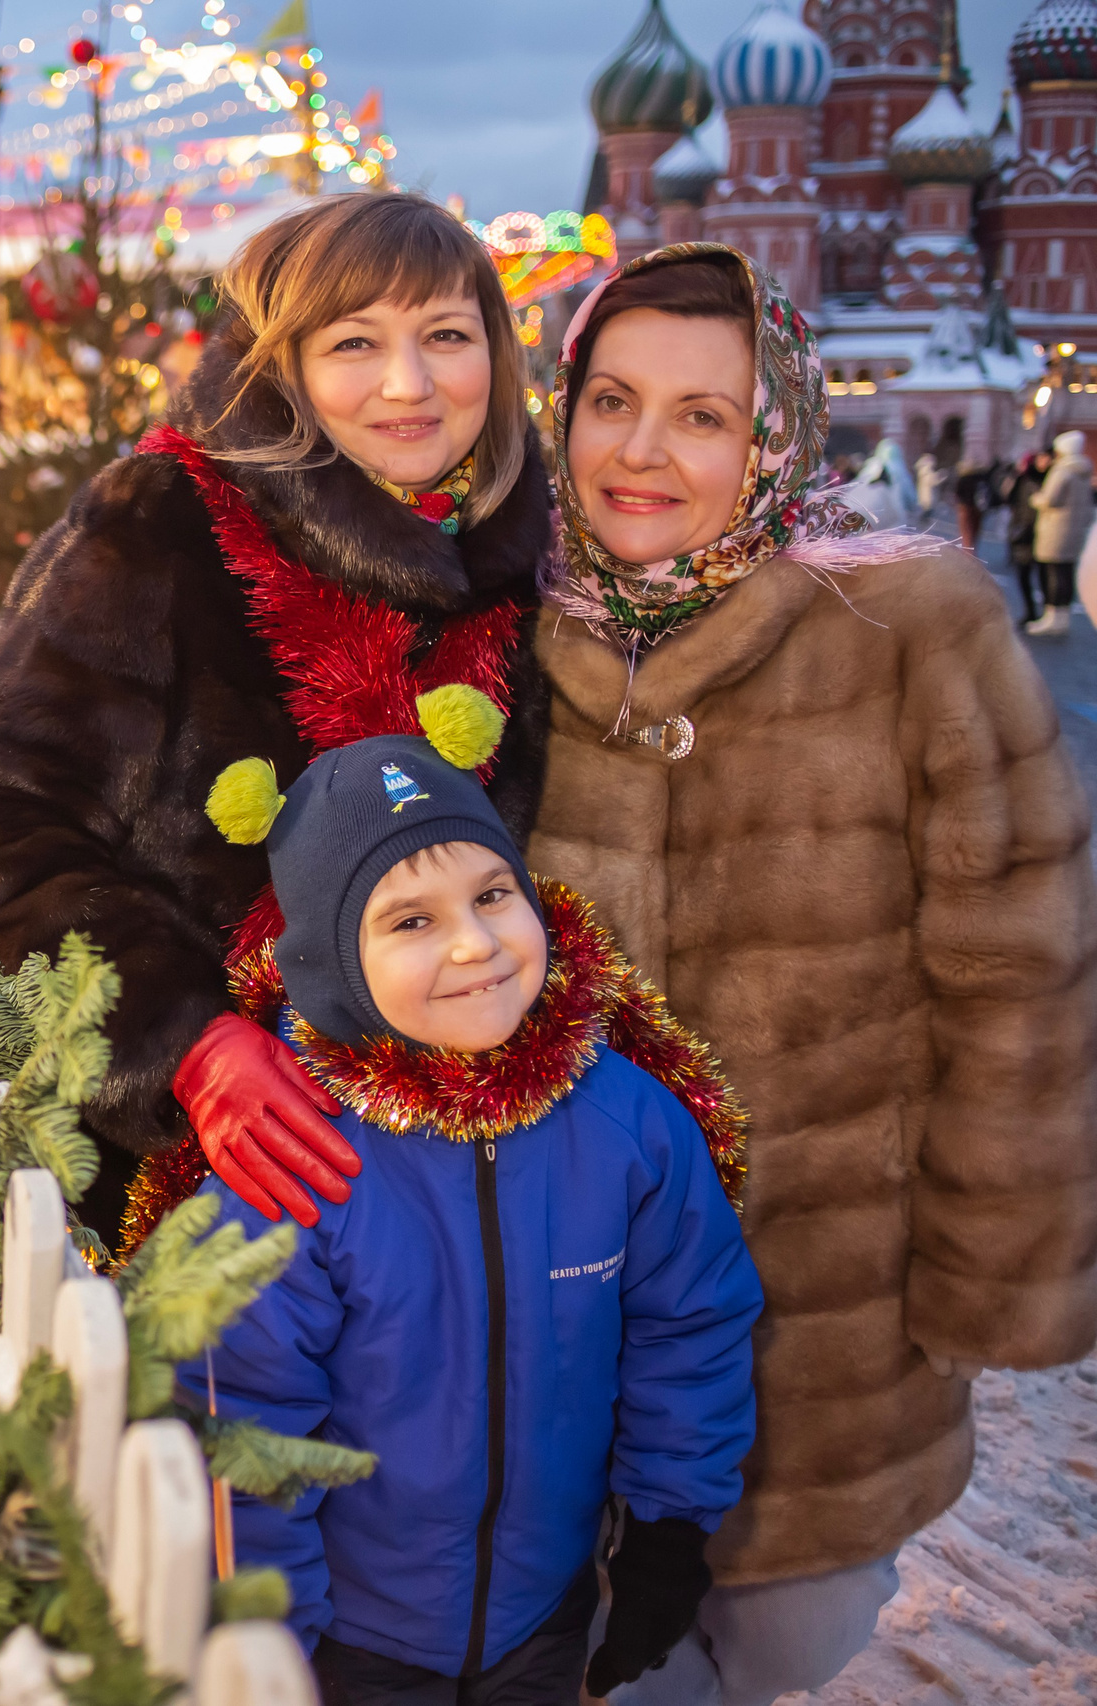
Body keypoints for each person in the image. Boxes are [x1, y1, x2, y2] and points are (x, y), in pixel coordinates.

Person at [143, 244, 1097, 1706]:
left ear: (773, 430)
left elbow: (1017, 978)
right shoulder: (485, 616)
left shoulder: (910, 628)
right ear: (561, 406)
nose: (644, 453)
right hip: (494, 1336)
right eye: (612, 400)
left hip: (813, 1311)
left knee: (774, 1642)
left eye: (704, 416)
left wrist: (988, 1278)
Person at [0, 192, 554, 1239]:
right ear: (283, 366)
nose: (411, 383)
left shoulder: (519, 569)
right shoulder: (160, 528)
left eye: (446, 334)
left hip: (457, 1179)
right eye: (355, 341)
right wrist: (186, 1041)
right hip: (188, 1193)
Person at [181, 719, 762, 1706]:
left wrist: (668, 1529)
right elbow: (239, 1422)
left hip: (546, 1615)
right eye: (408, 920)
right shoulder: (299, 1163)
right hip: (350, 1639)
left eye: (493, 893)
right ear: (333, 963)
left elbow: (690, 1324)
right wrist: (265, 1640)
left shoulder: (627, 1121)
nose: (474, 941)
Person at [1028, 429, 1093, 634]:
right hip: (1075, 530)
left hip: (1055, 530)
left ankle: (1051, 617)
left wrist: (1035, 499)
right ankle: (1063, 617)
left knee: (1053, 573)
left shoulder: (1061, 471)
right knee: (1066, 573)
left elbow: (1049, 499)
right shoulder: (1083, 471)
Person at [1004, 446, 1052, 624]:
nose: (1043, 462)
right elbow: (1006, 496)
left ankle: (1046, 613)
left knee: (1044, 575)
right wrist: (1014, 475)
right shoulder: (1023, 478)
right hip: (1023, 530)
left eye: (1046, 458)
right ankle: (1030, 610)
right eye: (1040, 458)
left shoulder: (1051, 479)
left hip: (1043, 532)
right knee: (1023, 573)